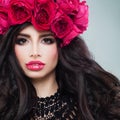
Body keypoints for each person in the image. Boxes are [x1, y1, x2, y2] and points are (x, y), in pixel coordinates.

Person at [0, 0, 120, 120]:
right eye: (22, 41)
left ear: (62, 46)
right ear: (11, 47)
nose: (34, 52)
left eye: (46, 40)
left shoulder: (97, 107)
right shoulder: (4, 108)